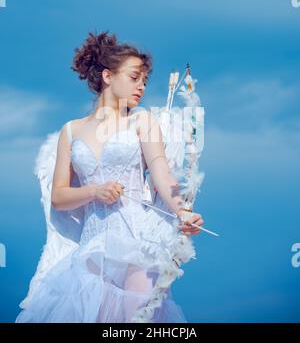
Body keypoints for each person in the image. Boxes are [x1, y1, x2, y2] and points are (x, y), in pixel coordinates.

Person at [15, 30, 204, 323]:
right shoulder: (71, 131)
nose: (141, 86)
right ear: (107, 76)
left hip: (135, 242)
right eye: (134, 77)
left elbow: (162, 174)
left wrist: (183, 211)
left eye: (145, 80)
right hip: (91, 248)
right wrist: (94, 191)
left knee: (136, 318)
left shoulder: (142, 121)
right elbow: (59, 197)